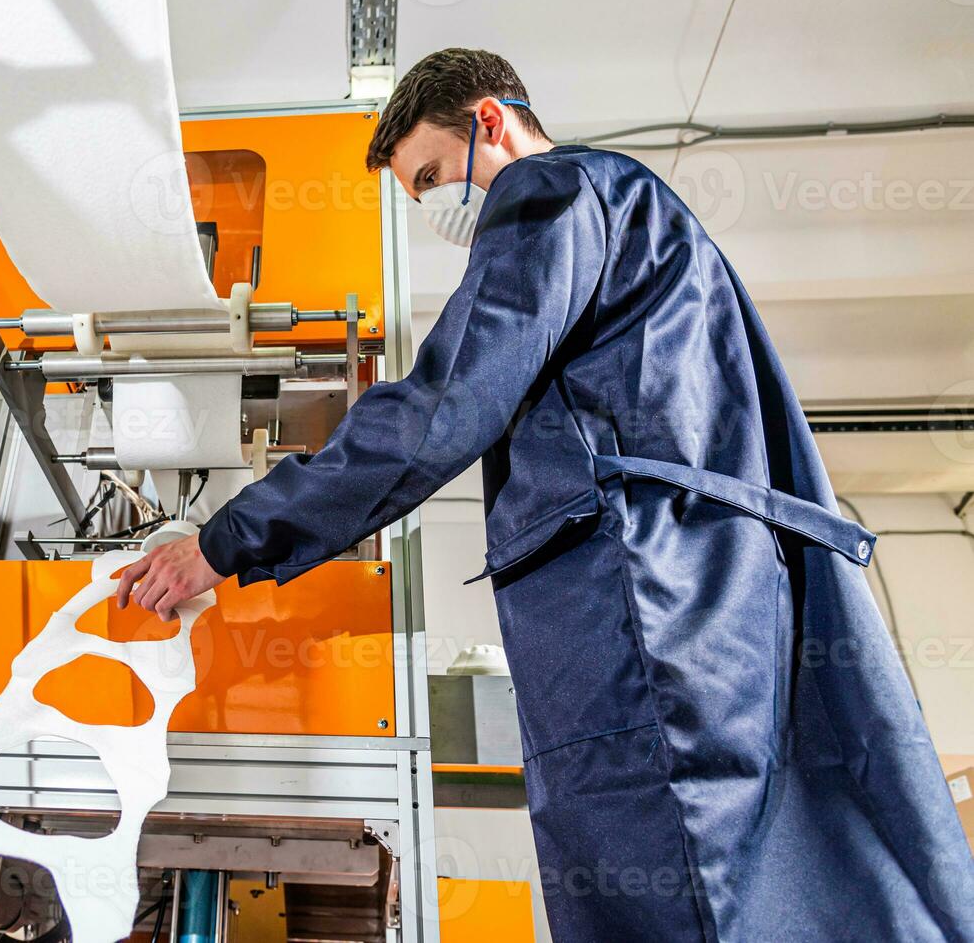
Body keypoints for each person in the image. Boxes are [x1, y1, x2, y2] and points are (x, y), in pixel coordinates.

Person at [116, 47, 974, 941]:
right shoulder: (646, 216)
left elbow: (442, 409)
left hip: (639, 595)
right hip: (709, 594)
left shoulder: (551, 194)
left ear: (489, 120)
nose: (447, 208)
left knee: (665, 882)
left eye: (435, 177)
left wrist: (224, 542)